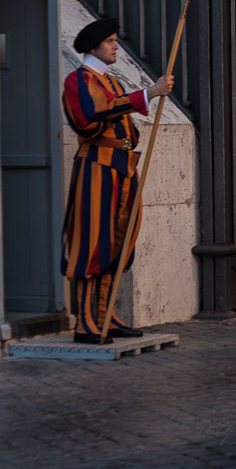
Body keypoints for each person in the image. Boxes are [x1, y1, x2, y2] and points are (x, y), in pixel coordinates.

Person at [61, 17, 174, 344]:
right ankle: (85, 322)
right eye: (109, 41)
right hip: (98, 167)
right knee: (93, 240)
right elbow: (91, 117)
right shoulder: (78, 80)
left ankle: (104, 313)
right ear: (93, 46)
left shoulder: (110, 82)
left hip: (123, 167)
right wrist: (147, 93)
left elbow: (116, 113)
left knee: (119, 242)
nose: (115, 46)